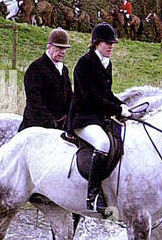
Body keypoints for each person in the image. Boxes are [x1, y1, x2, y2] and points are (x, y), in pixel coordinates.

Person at [67, 22, 129, 213]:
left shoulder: (106, 63)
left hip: (98, 118)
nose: (110, 46)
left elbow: (107, 93)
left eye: (112, 44)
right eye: (107, 43)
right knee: (103, 144)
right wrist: (117, 110)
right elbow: (91, 97)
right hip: (82, 118)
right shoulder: (84, 63)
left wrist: (123, 105)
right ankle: (92, 196)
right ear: (96, 43)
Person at [19, 28, 73, 131]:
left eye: (65, 49)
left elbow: (69, 95)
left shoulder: (64, 70)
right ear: (49, 47)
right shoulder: (35, 68)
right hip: (37, 124)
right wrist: (50, 121)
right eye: (59, 48)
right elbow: (34, 101)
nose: (62, 52)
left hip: (61, 124)